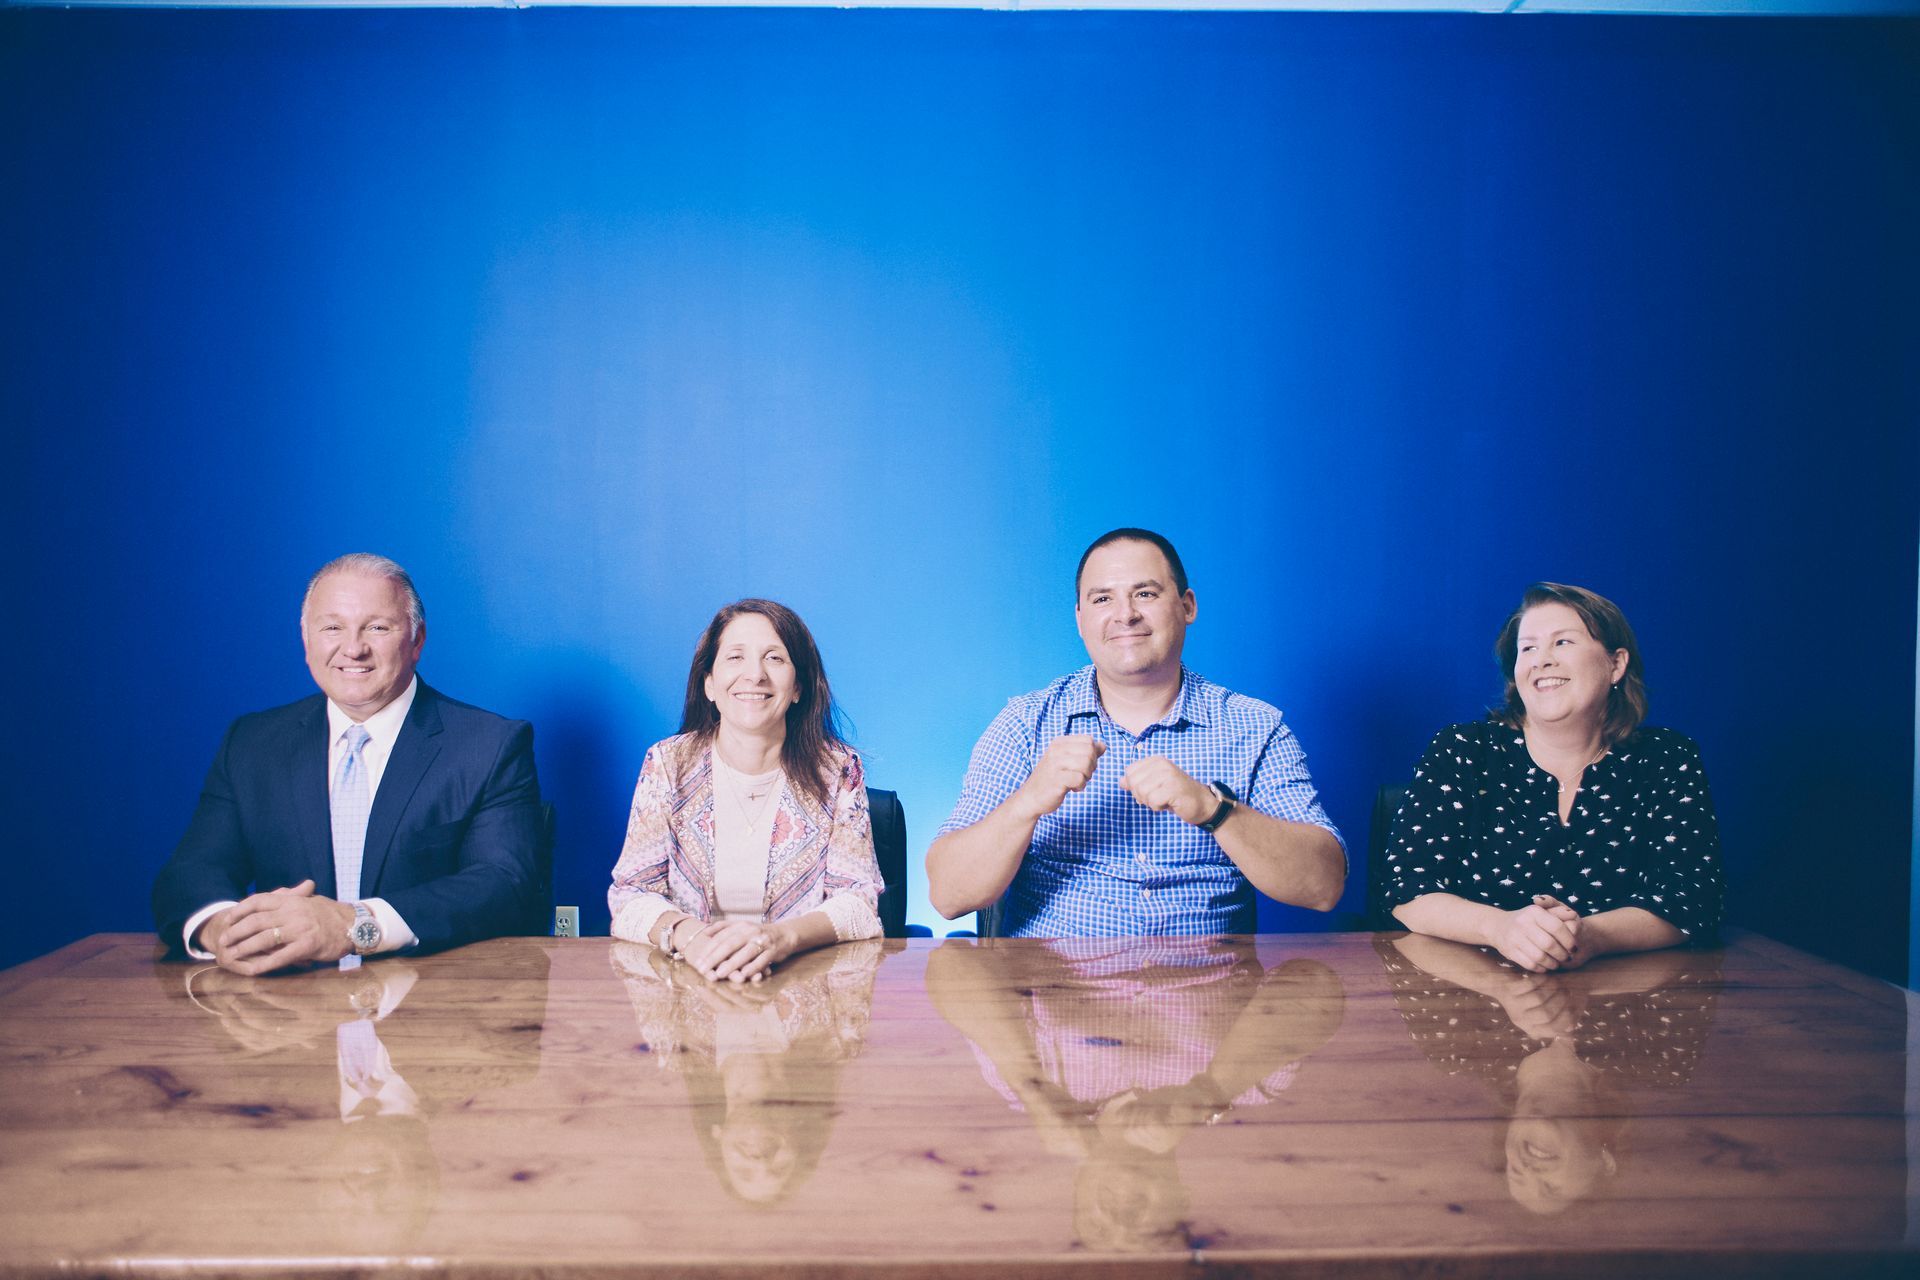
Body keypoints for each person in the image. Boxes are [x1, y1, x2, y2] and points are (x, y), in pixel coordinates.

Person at [927, 528, 1345, 936]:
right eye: (1102, 598)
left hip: (1210, 990)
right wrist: (1027, 802)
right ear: (1080, 618)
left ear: (1187, 606)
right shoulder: (1025, 724)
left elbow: (1323, 887)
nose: (1125, 614)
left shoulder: (1255, 727)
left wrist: (1213, 810)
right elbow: (949, 896)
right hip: (1054, 990)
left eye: (1145, 593)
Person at [152, 554, 546, 975]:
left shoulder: (489, 745)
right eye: (332, 628)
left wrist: (353, 925)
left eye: (377, 627)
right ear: (306, 641)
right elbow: (190, 873)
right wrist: (224, 930)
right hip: (289, 1010)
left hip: (429, 1005)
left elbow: (504, 885)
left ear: (417, 640)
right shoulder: (251, 743)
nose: (353, 648)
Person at [1384, 582, 1725, 972]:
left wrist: (1591, 937)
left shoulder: (1667, 758)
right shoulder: (1463, 749)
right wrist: (1501, 928)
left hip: (1626, 1000)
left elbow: (1695, 899)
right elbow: (1407, 891)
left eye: (1563, 642)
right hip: (1471, 995)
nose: (1541, 660)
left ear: (1616, 664)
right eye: (1527, 648)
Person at [608, 599, 883, 981]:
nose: (755, 675)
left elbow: (858, 903)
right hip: (689, 988)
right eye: (735, 657)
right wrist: (692, 938)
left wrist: (780, 939)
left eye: (774, 658)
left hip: (804, 991)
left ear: (799, 686)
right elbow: (630, 896)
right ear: (709, 684)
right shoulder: (667, 763)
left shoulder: (838, 769)